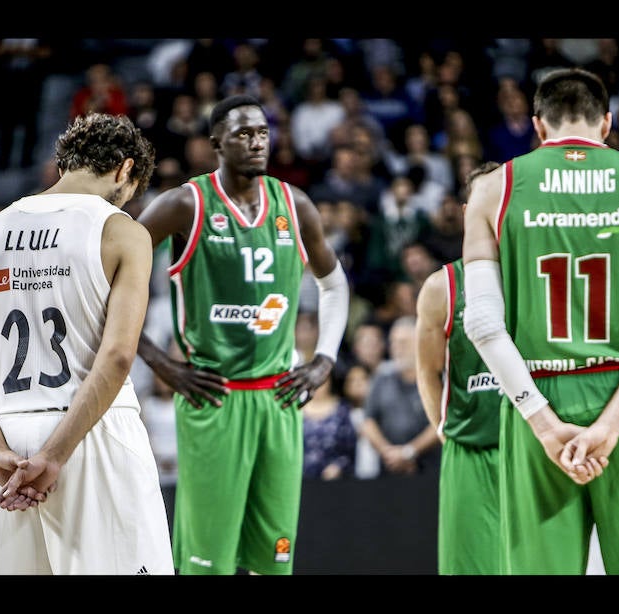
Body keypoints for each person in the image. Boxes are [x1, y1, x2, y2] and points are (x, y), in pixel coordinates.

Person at [461, 67, 619, 574]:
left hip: (536, 397)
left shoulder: (493, 190)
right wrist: (609, 428)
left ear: (538, 127)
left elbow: (481, 324)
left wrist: (544, 425)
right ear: (607, 123)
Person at [0, 113, 175, 575]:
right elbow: (118, 356)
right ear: (125, 171)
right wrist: (54, 455)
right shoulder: (123, 230)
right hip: (92, 432)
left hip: (5, 440)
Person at [134, 94, 350, 575]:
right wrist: (160, 363)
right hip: (215, 396)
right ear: (215, 143)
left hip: (278, 397)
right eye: (242, 134)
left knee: (274, 557)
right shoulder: (184, 204)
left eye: (262, 133)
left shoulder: (294, 204)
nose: (256, 142)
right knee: (206, 560)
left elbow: (334, 283)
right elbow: (104, 278)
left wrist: (325, 359)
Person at [415, 161, 503, 575]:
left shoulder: (540, 276)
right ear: (468, 211)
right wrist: (441, 429)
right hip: (471, 447)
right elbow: (427, 370)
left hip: (535, 446)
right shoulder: (442, 287)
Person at [359, 315, 441, 476]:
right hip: (389, 469)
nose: (396, 348)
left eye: (403, 343)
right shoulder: (381, 376)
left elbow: (441, 422)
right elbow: (368, 421)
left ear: (419, 343)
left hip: (429, 469)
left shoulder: (434, 375)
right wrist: (388, 453)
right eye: (393, 343)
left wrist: (410, 451)